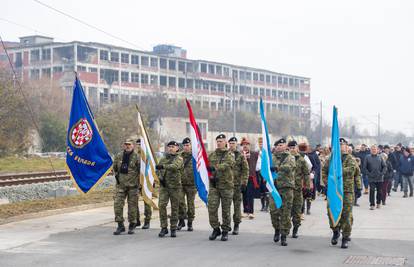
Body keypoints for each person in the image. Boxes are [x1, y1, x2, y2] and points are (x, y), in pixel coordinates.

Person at [322, 138, 360, 249]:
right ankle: (335, 231)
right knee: (332, 212)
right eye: (338, 145)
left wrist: (358, 187)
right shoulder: (331, 159)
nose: (340, 147)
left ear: (347, 146)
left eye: (342, 145)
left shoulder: (351, 159)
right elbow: (324, 171)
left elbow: (353, 171)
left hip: (347, 191)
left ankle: (345, 237)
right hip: (333, 191)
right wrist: (327, 182)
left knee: (346, 215)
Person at [207, 134, 235, 241]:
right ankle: (215, 228)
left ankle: (225, 230)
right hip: (214, 186)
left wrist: (215, 167)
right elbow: (207, 168)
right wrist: (209, 173)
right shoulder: (212, 155)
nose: (219, 143)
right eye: (217, 141)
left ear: (225, 142)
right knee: (212, 208)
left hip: (226, 186)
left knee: (226, 210)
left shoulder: (230, 154)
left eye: (221, 141)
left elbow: (228, 164)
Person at [269, 138, 295, 246]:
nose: (279, 147)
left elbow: (290, 167)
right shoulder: (271, 158)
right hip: (274, 188)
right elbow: (264, 169)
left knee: (285, 212)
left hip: (286, 188)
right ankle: (277, 229)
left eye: (281, 145)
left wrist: (277, 168)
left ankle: (284, 235)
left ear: (285, 146)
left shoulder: (290, 157)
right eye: (277, 145)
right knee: (274, 211)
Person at [113, 139, 140, 235]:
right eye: (126, 144)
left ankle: (132, 225)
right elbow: (115, 168)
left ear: (133, 146)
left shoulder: (137, 157)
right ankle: (120, 225)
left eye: (129, 144)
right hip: (121, 186)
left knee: (132, 207)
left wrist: (139, 185)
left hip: (133, 186)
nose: (127, 146)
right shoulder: (119, 155)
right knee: (117, 205)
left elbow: (141, 171)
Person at [156, 141, 183, 238]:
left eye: (173, 146)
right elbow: (157, 169)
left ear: (177, 148)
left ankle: (173, 228)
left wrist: (163, 166)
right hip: (164, 187)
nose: (171, 148)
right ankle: (164, 227)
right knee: (161, 205)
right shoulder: (163, 159)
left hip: (175, 187)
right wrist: (160, 178)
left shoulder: (179, 158)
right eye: (169, 147)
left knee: (175, 207)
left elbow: (175, 167)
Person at [288, 141, 310, 239]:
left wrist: (307, 187)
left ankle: (295, 229)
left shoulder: (301, 160)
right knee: (286, 210)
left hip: (297, 190)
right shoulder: (285, 159)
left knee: (297, 210)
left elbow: (306, 174)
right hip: (286, 190)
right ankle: (285, 228)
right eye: (290, 147)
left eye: (294, 147)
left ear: (297, 148)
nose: (292, 149)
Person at [228, 137, 249, 235]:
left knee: (237, 207)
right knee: (226, 206)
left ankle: (236, 225)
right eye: (230, 143)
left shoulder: (240, 156)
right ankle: (226, 225)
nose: (231, 145)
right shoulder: (225, 154)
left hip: (237, 185)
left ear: (236, 144)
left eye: (233, 143)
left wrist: (244, 182)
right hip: (226, 185)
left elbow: (245, 170)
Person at [177, 137, 197, 231]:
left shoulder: (195, 156)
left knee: (190, 204)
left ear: (191, 146)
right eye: (184, 145)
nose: (186, 147)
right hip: (180, 183)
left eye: (187, 145)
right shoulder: (179, 156)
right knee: (180, 202)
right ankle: (181, 220)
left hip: (192, 184)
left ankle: (190, 222)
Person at [135, 138, 152, 230]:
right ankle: (136, 220)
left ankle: (147, 221)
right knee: (133, 201)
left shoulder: (148, 156)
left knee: (146, 202)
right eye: (137, 144)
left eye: (140, 144)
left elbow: (151, 170)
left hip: (146, 181)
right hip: (136, 182)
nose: (139, 146)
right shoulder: (134, 156)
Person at [363, 145, 386, 210]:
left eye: (375, 149)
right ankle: (372, 205)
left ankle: (378, 203)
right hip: (371, 178)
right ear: (370, 150)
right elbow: (364, 168)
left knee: (379, 191)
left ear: (377, 150)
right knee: (372, 191)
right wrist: (369, 174)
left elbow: (384, 166)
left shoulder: (380, 157)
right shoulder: (367, 157)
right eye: (372, 149)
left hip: (379, 178)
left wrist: (382, 173)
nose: (374, 150)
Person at [241, 137, 260, 219]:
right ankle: (245, 211)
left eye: (246, 144)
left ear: (249, 145)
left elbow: (259, 164)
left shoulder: (255, 154)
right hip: (242, 178)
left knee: (250, 194)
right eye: (243, 145)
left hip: (251, 177)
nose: (245, 146)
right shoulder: (239, 154)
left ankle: (251, 212)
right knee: (244, 194)